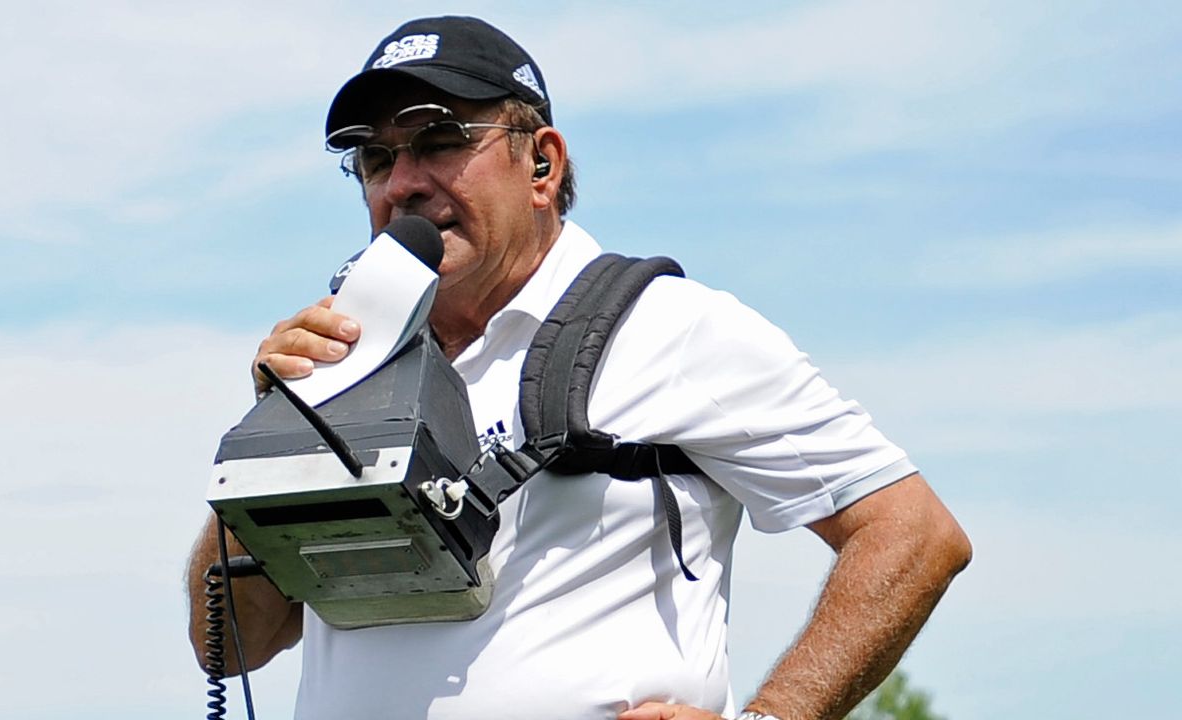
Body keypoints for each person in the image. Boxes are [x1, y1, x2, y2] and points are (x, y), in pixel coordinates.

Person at [187, 16, 971, 720]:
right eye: (375, 158)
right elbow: (229, 646)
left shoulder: (671, 327)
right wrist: (277, 440)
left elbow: (913, 532)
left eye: (440, 140)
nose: (402, 184)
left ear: (543, 164)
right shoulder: (338, 359)